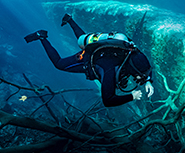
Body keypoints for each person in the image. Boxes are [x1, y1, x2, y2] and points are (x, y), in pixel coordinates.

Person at [24, 14, 154, 107]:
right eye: (138, 76)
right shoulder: (109, 70)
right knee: (59, 64)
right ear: (132, 68)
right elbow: (108, 100)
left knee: (83, 39)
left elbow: (145, 67)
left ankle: (69, 19)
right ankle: (41, 37)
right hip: (88, 58)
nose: (138, 79)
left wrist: (148, 82)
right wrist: (132, 96)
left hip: (100, 51)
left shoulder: (131, 51)